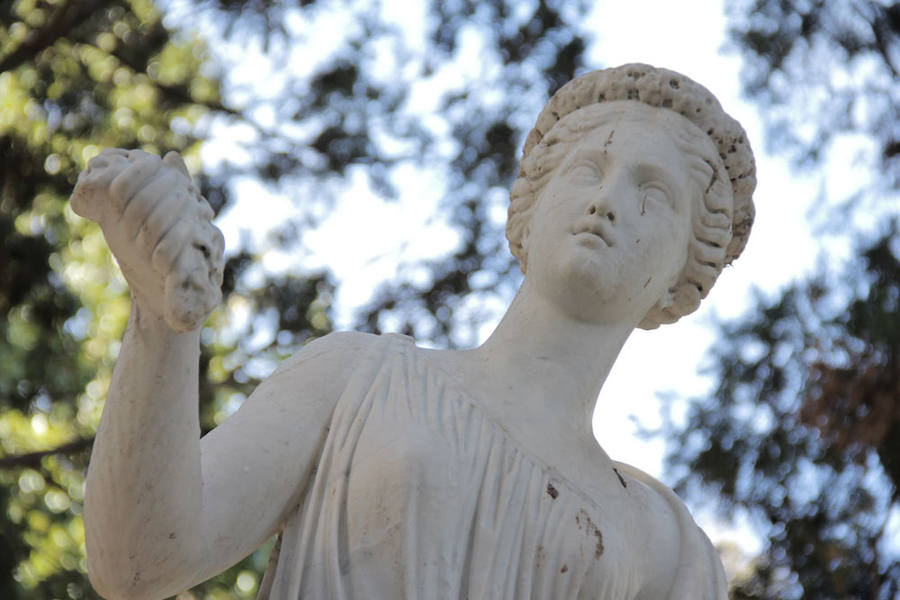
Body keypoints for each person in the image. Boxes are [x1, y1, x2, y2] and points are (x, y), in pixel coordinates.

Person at [76, 64, 755, 600]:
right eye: (589, 169)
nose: (608, 201)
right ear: (526, 210)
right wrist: (161, 321)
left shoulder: (666, 547)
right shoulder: (358, 376)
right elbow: (137, 562)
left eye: (654, 194)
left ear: (682, 279)